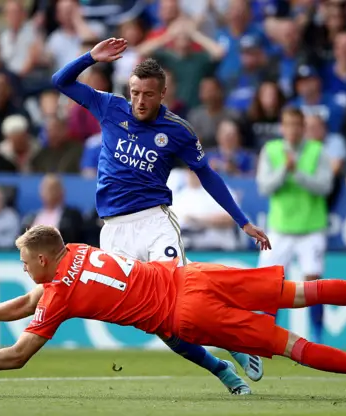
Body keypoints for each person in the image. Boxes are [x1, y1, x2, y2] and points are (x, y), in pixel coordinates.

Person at [0, 225, 346, 394]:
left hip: (187, 317)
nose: (23, 270)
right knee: (303, 291)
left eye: (22, 261)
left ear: (39, 259)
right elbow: (30, 300)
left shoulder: (60, 293)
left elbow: (17, 356)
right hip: (196, 275)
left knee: (292, 346)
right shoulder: (77, 251)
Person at [48, 37, 271, 395]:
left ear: (162, 94)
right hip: (114, 233)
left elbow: (208, 175)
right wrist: (90, 57)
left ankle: (235, 341)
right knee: (159, 321)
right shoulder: (110, 107)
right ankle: (220, 369)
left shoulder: (178, 131)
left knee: (184, 299)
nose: (139, 101)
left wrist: (242, 221)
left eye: (147, 95)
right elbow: (60, 81)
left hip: (154, 223)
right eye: (134, 92)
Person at [256, 107, 334, 344]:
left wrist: (297, 173)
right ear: (282, 127)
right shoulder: (270, 150)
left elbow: (325, 186)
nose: (291, 129)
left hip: (311, 227)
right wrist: (284, 170)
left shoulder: (317, 150)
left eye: (296, 125)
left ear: (303, 127)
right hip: (280, 228)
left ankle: (318, 336)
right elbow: (264, 187)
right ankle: (266, 335)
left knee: (313, 282)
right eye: (287, 124)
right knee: (270, 285)